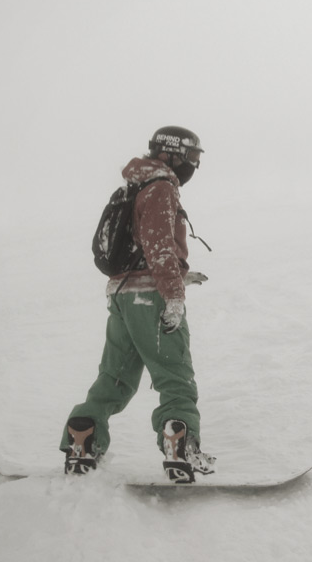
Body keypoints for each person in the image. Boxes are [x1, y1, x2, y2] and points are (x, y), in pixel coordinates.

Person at [60, 125, 214, 483]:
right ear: (170, 153)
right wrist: (173, 295)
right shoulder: (161, 187)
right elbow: (158, 245)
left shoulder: (136, 185)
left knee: (114, 378)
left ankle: (84, 439)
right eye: (191, 156)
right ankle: (180, 444)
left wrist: (179, 275)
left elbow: (140, 245)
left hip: (122, 296)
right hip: (150, 298)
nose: (193, 164)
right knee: (175, 377)